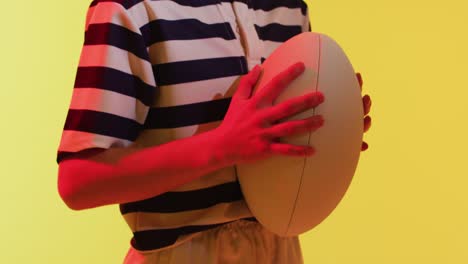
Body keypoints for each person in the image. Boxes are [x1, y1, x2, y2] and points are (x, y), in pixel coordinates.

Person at [56, 0, 372, 263]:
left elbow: (274, 149)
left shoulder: (290, 9)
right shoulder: (131, 10)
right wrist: (221, 146)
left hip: (284, 253)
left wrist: (324, 131)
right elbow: (78, 182)